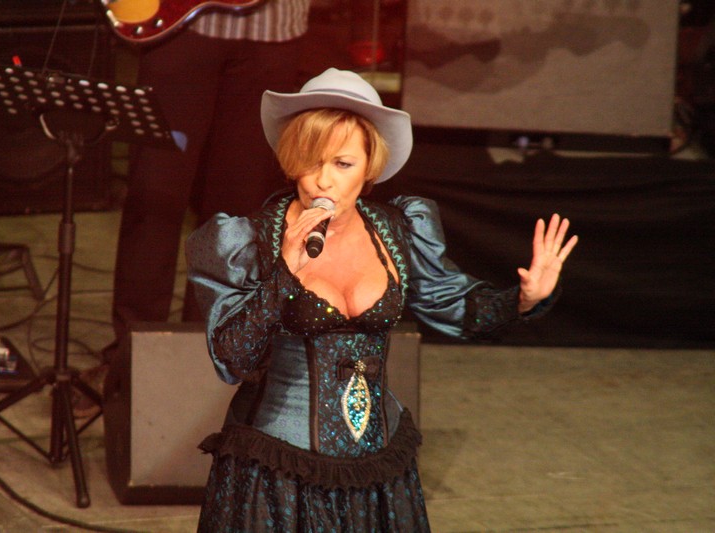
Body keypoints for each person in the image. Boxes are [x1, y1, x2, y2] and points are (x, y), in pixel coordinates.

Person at [185, 68, 578, 530]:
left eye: (342, 164)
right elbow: (232, 358)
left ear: (370, 166)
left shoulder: (397, 229)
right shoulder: (247, 240)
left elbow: (459, 309)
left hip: (377, 470)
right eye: (310, 162)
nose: (322, 181)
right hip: (277, 473)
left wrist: (523, 300)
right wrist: (283, 276)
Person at [73, 0, 312, 416]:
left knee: (236, 215)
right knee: (153, 197)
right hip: (178, 26)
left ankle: (206, 362)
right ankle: (127, 361)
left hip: (273, 30)